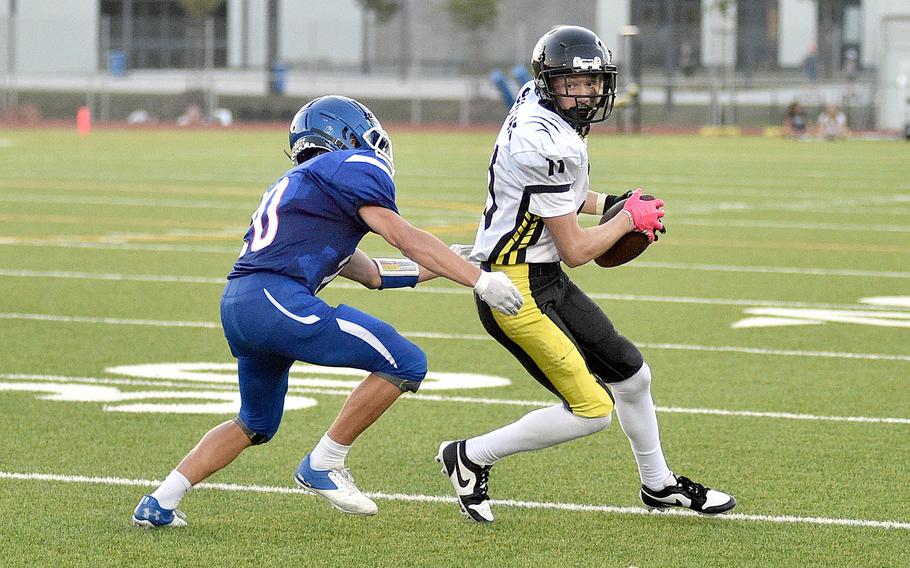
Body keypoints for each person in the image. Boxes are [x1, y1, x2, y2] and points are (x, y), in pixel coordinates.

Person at [131, 95, 524, 527]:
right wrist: (480, 281)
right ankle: (325, 461)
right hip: (276, 299)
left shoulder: (308, 188)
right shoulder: (351, 165)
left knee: (255, 422)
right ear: (347, 134)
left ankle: (160, 502)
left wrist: (451, 263)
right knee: (406, 361)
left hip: (243, 303)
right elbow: (402, 235)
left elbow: (373, 272)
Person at [437, 25, 736, 523]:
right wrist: (624, 219)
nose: (589, 92)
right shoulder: (544, 140)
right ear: (549, 82)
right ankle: (469, 456)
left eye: (595, 82)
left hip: (543, 275)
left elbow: (559, 198)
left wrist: (613, 203)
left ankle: (658, 485)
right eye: (576, 83)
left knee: (634, 377)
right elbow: (577, 248)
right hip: (514, 291)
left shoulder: (539, 108)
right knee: (592, 410)